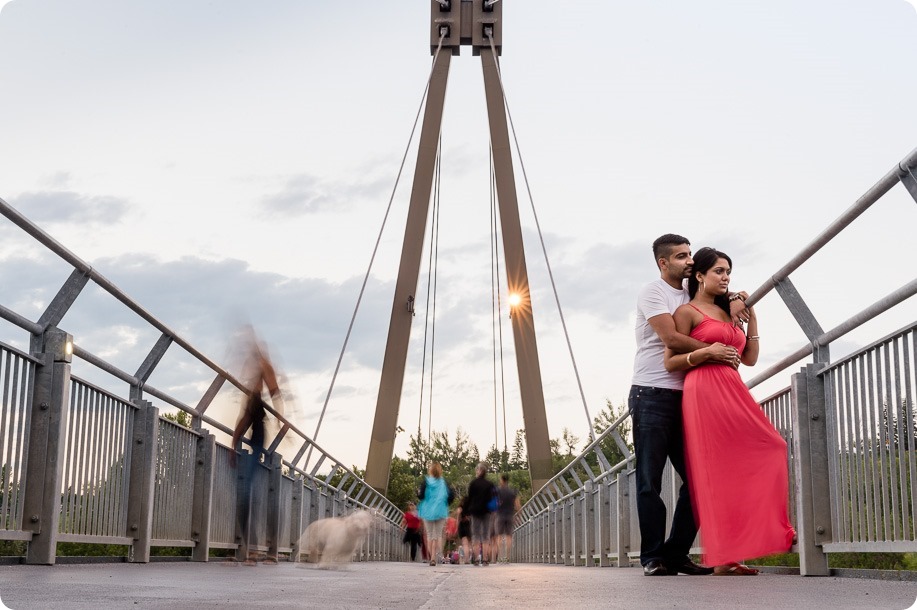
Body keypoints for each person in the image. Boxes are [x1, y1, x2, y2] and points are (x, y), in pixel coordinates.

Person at [665, 247, 795, 574]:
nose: (725, 278)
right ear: (699, 275)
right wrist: (706, 353)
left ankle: (733, 551)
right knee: (718, 470)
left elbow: (749, 358)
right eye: (719, 271)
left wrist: (753, 317)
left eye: (728, 273)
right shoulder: (688, 312)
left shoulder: (730, 310)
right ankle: (723, 557)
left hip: (733, 388)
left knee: (771, 447)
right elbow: (671, 362)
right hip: (704, 390)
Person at [629, 234, 743, 576]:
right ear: (663, 263)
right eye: (681, 256)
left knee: (697, 479)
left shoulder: (691, 292)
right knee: (649, 479)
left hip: (690, 397)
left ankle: (676, 553)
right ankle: (652, 557)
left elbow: (717, 296)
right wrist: (711, 351)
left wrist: (736, 297)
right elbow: (671, 339)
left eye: (691, 254)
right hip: (651, 392)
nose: (689, 260)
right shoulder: (654, 292)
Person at [229, 329, 284, 566]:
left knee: (250, 492)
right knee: (246, 493)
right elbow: (244, 416)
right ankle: (253, 549)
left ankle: (265, 549)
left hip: (259, 437)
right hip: (252, 437)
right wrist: (233, 442)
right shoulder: (252, 381)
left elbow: (275, 394)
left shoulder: (263, 367)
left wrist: (282, 421)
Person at [417, 462, 451, 566]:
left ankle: (431, 557)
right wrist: (445, 503)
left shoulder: (426, 482)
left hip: (428, 511)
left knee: (429, 534)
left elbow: (421, 496)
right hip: (440, 510)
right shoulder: (444, 482)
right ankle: (435, 556)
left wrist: (418, 493)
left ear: (430, 470)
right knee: (437, 534)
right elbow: (451, 495)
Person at [465, 462, 496, 566]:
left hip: (475, 511)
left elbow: (469, 498)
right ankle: (485, 559)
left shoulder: (473, 483)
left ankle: (477, 558)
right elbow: (493, 498)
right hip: (487, 512)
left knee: (476, 535)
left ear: (479, 471)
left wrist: (467, 511)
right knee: (486, 535)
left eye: (477, 470)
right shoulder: (490, 484)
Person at [492, 473, 520, 563]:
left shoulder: (497, 491)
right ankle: (507, 556)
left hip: (499, 515)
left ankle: (500, 556)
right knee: (509, 536)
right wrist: (519, 514)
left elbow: (494, 503)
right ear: (507, 481)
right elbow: (517, 504)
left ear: (501, 480)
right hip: (510, 515)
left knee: (499, 536)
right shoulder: (513, 492)